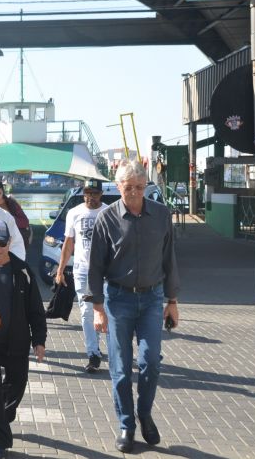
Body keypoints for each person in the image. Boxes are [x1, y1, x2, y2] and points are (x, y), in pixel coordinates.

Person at [88, 160, 180, 453]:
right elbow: (95, 266)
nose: (135, 194)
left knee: (151, 361)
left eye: (140, 188)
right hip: (118, 299)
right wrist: (98, 309)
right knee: (121, 368)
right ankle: (126, 425)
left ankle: (145, 413)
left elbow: (170, 259)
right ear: (118, 188)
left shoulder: (162, 215)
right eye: (129, 188)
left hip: (152, 298)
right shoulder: (107, 218)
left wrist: (172, 300)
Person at [0, 219, 46, 458]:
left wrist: (39, 339)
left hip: (17, 341)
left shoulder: (22, 271)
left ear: (9, 242)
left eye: (0, 243)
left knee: (16, 387)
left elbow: (36, 309)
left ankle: (1, 421)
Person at [55, 179, 108, 373]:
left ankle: (109, 348)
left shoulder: (109, 212)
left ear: (100, 194)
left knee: (105, 311)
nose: (90, 197)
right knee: (86, 312)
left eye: (94, 193)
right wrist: (60, 270)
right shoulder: (74, 213)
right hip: (82, 270)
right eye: (87, 193)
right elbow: (69, 243)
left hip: (105, 272)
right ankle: (93, 353)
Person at [0, 183, 31, 247]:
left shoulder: (11, 202)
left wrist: (8, 218)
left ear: (3, 192)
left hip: (14, 241)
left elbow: (25, 221)